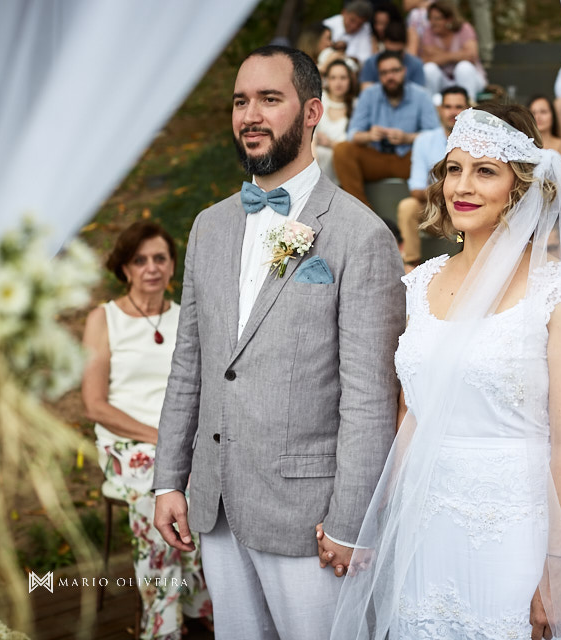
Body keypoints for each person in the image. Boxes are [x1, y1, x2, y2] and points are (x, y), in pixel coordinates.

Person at [329, 105, 561, 639]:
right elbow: (410, 417)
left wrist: (558, 568)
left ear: (520, 188)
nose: (462, 186)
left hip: (517, 532)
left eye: (485, 170)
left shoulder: (560, 295)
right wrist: (384, 522)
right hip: (427, 530)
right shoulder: (417, 287)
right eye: (454, 168)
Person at [152, 46, 405, 639]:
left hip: (310, 519)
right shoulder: (208, 227)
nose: (250, 115)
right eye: (241, 101)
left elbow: (369, 398)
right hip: (213, 505)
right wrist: (169, 478)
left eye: (270, 99)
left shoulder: (360, 236)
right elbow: (190, 362)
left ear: (312, 111)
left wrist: (350, 522)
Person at [82, 221, 211, 639]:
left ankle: (196, 605)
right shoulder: (104, 319)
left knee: (206, 487)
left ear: (173, 266)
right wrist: (160, 437)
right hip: (128, 443)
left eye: (160, 258)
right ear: (124, 268)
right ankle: (163, 625)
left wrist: (182, 440)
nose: (151, 268)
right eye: (140, 260)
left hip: (182, 441)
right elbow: (95, 404)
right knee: (159, 492)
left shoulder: (187, 317)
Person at [333, 50, 439, 208]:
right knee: (342, 150)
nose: (390, 77)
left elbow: (435, 136)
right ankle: (363, 212)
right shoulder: (369, 95)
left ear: (404, 71)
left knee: (438, 154)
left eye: (395, 71)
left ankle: (429, 213)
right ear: (379, 76)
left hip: (409, 159)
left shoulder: (421, 95)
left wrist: (406, 138)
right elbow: (352, 134)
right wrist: (369, 135)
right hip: (377, 157)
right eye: (384, 73)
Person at [397, 85, 468, 268]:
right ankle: (410, 264)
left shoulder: (475, 143)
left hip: (465, 210)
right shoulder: (425, 140)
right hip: (434, 212)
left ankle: (466, 264)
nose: (453, 112)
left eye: (458, 107)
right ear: (440, 110)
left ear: (468, 110)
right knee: (408, 206)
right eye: (448, 107)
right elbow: (416, 189)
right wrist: (447, 191)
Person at [418, 0, 488, 102]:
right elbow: (425, 61)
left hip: (470, 80)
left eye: (437, 19)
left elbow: (471, 56)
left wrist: (441, 55)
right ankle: (432, 106)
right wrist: (458, 54)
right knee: (429, 68)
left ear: (449, 19)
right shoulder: (428, 32)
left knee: (464, 67)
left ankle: (468, 106)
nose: (433, 23)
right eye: (430, 19)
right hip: (444, 81)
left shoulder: (464, 28)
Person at [315, 58, 359, 184]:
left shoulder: (357, 105)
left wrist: (330, 143)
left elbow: (354, 146)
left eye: (343, 78)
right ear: (327, 80)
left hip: (343, 163)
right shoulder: (319, 100)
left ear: (350, 80)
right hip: (316, 159)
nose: (338, 83)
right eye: (333, 78)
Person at [359, 21, 425, 90]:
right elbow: (365, 90)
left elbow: (419, 94)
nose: (393, 57)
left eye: (398, 53)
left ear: (405, 45)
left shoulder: (416, 64)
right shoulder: (371, 63)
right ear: (384, 43)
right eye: (389, 52)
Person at [529, 94, 561, 170]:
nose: (538, 117)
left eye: (543, 112)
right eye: (533, 113)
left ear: (553, 116)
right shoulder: (523, 145)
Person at [323, 1, 376, 66]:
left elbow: (365, 59)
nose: (354, 26)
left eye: (359, 24)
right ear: (344, 12)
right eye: (352, 20)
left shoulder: (366, 28)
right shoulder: (327, 25)